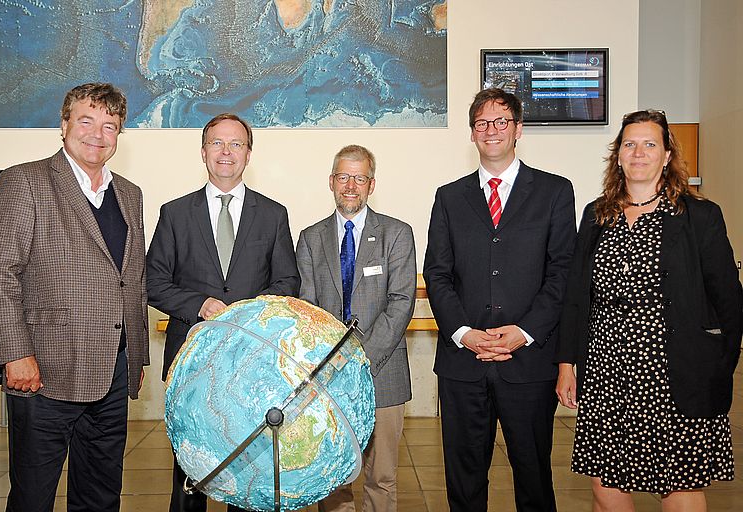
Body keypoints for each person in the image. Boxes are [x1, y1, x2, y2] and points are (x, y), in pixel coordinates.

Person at [555, 109, 742, 511]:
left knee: (680, 481)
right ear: (618, 155)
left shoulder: (699, 216)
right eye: (629, 144)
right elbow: (576, 297)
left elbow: (729, 300)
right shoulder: (595, 215)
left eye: (650, 144)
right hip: (606, 370)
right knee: (605, 479)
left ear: (667, 155)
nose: (638, 152)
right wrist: (567, 363)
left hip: (674, 373)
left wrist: (715, 368)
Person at [0, 82, 149, 511]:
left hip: (112, 374)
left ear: (119, 134)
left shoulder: (130, 194)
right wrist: (14, 353)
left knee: (101, 495)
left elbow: (133, 280)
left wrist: (137, 356)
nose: (97, 133)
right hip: (43, 374)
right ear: (64, 124)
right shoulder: (25, 182)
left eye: (110, 125)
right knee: (33, 498)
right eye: (86, 120)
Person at [423, 88, 576, 512]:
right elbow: (437, 272)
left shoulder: (554, 192)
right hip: (463, 365)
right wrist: (465, 333)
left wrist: (524, 332)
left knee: (533, 477)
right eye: (482, 123)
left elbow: (562, 271)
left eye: (501, 122)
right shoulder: (449, 197)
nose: (491, 130)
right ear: (472, 134)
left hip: (528, 364)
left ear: (518, 130)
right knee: (464, 479)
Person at [146, 112, 300, 512]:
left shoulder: (273, 213)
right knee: (189, 469)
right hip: (191, 359)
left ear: (249, 154)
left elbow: (288, 282)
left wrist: (246, 313)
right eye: (217, 143)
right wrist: (198, 305)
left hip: (252, 360)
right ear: (203, 152)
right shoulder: (175, 213)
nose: (226, 152)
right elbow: (153, 282)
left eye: (236, 144)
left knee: (248, 467)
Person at [296, 145, 416, 512]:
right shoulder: (310, 238)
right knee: (333, 477)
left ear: (372, 184)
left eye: (359, 178)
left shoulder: (397, 234)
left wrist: (361, 357)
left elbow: (401, 302)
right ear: (331, 182)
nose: (351, 186)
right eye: (344, 177)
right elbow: (309, 310)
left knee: (381, 477)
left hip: (383, 371)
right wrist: (334, 359)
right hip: (328, 375)